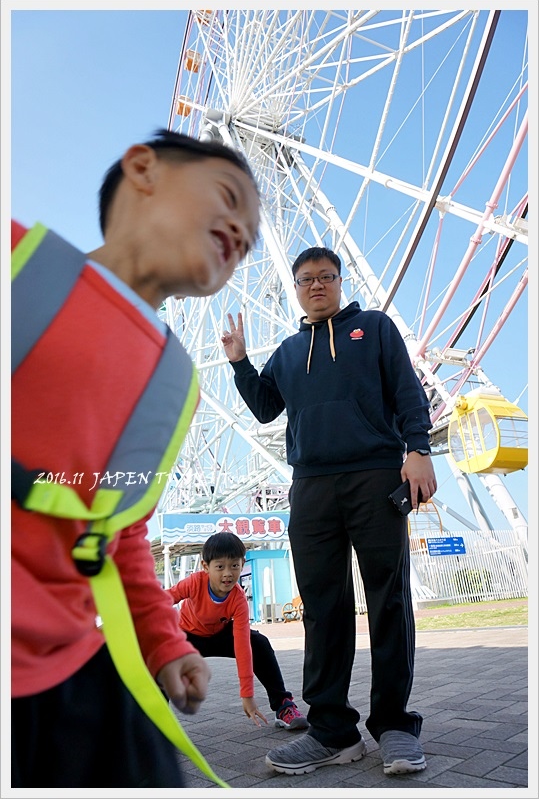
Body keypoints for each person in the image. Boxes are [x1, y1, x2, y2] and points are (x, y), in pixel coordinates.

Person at [11, 129, 260, 788]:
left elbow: (117, 534)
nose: (242, 230)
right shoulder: (17, 261)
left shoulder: (175, 387)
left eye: (253, 236)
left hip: (71, 662)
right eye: (230, 197)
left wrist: (163, 642)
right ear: (143, 169)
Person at [221, 246, 437, 776]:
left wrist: (417, 449)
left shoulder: (376, 329)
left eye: (325, 277)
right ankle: (333, 730)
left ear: (340, 282)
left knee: (388, 600)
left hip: (373, 475)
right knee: (321, 606)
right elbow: (267, 406)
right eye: (305, 280)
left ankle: (393, 726)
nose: (316, 285)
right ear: (295, 289)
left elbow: (408, 393)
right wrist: (239, 362)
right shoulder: (291, 351)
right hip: (311, 485)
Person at [165, 531, 308, 731]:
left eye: (234, 565)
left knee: (258, 643)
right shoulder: (194, 582)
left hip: (219, 634)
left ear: (242, 563)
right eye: (220, 566)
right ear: (205, 567)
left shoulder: (238, 599)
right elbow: (161, 601)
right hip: (187, 635)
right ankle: (156, 722)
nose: (228, 573)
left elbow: (242, 646)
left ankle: (283, 706)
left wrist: (247, 695)